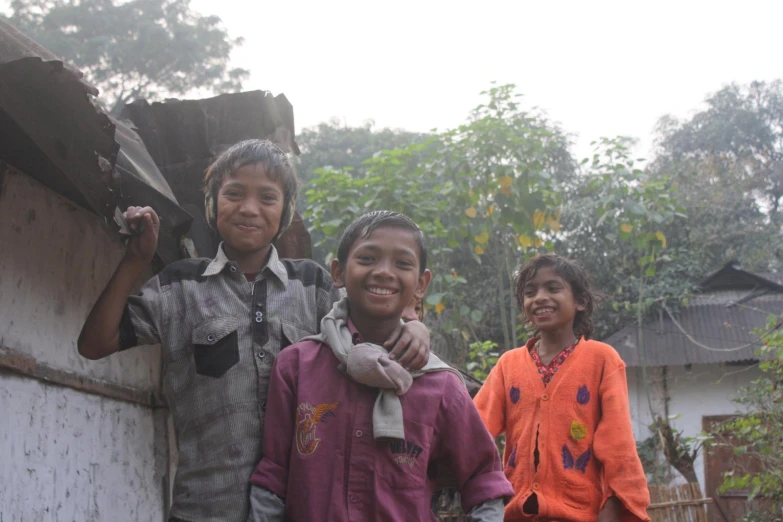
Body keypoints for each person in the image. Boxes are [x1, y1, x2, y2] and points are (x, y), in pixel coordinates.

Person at [76, 141, 431, 522]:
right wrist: (135, 260)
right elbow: (95, 344)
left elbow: (374, 324)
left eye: (267, 197)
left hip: (304, 509)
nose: (249, 209)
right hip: (205, 510)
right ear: (213, 205)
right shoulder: (179, 287)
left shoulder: (312, 286)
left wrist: (416, 325)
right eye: (234, 193)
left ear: (286, 210)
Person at [248, 211, 513, 521]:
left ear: (421, 283)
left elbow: (483, 481)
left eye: (402, 263)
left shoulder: (440, 385)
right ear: (338, 272)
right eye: (368, 258)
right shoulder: (297, 366)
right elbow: (273, 479)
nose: (384, 272)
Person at [473, 253, 650, 522]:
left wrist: (614, 505)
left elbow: (618, 443)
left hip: (580, 513)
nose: (540, 297)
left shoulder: (602, 360)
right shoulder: (508, 365)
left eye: (553, 288)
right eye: (530, 292)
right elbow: (474, 428)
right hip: (516, 513)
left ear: (580, 301)